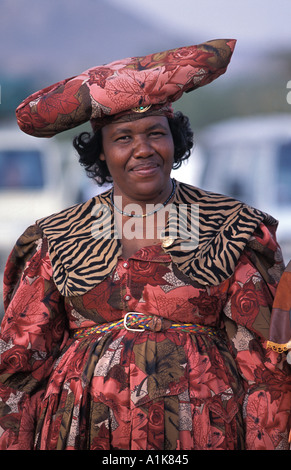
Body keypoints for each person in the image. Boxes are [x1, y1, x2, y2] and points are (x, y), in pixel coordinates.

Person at [0, 39, 290, 451]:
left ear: (176, 141)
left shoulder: (228, 226)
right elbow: (19, 367)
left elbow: (264, 366)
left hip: (204, 432)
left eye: (156, 133)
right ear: (100, 153)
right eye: (123, 138)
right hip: (83, 432)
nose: (143, 150)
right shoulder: (58, 236)